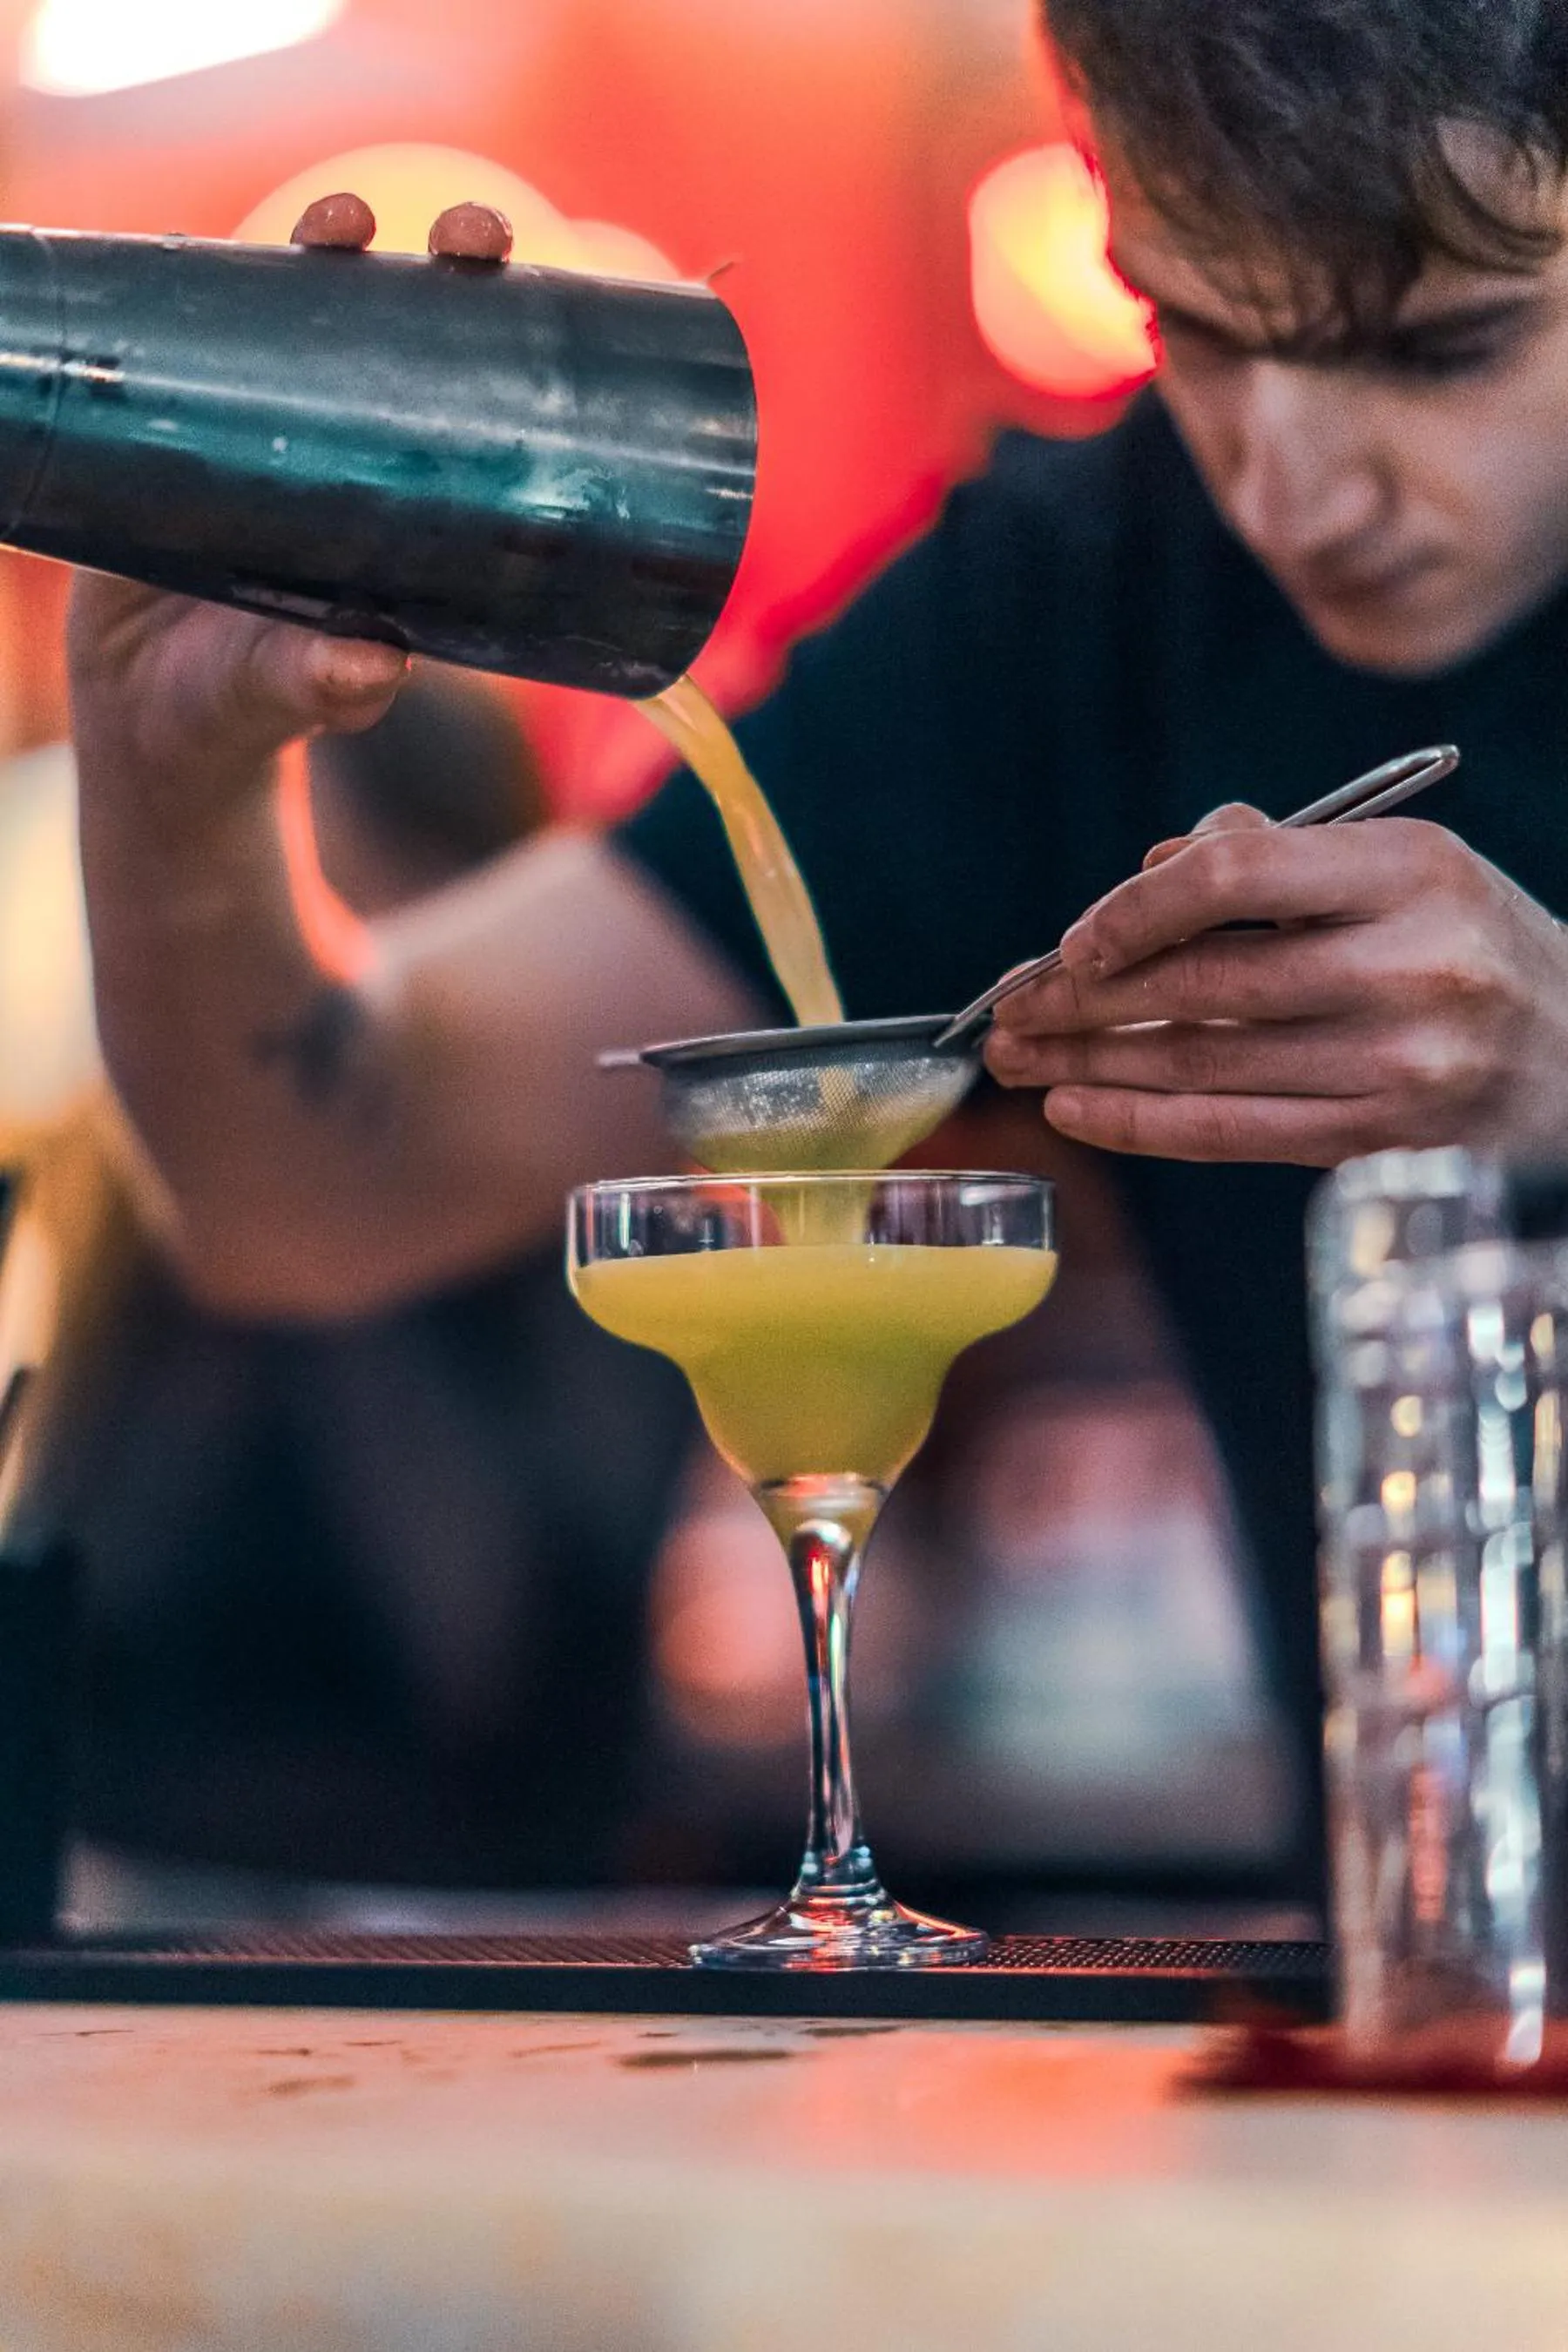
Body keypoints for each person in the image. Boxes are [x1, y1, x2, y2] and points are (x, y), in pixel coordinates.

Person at [67, 0, 1568, 1905]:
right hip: (1417, 2029)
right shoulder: (1080, 600)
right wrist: (171, 770)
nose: (1294, 489)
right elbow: (312, 1188)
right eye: (1193, 325)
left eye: (1442, 346)